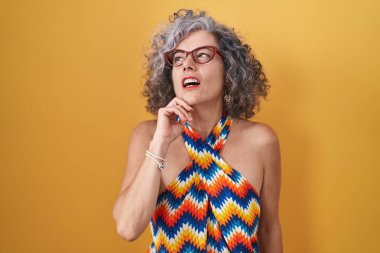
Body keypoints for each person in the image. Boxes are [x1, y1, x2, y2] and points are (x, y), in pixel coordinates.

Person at [112, 9, 283, 253]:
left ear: (229, 70)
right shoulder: (147, 136)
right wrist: (160, 142)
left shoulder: (262, 141)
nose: (187, 65)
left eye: (202, 55)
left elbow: (269, 229)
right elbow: (128, 228)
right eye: (178, 58)